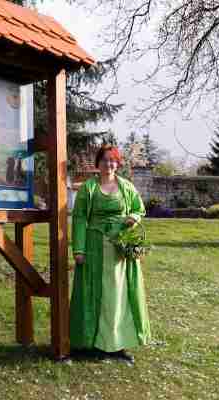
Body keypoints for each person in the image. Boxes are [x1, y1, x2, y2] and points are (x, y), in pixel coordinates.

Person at [70, 144, 151, 363]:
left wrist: (134, 218)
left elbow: (138, 209)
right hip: (94, 247)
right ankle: (90, 342)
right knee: (94, 293)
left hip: (120, 250)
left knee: (118, 294)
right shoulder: (89, 188)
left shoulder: (126, 187)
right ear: (98, 163)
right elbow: (78, 218)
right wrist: (78, 248)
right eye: (105, 160)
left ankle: (117, 343)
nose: (109, 164)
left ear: (118, 163)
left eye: (113, 160)